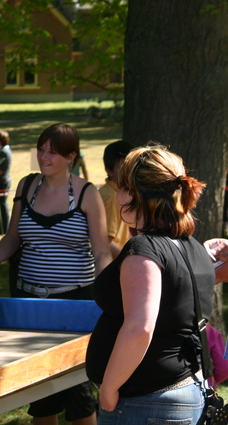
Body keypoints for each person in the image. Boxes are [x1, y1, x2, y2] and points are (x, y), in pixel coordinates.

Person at [0, 123, 110, 425]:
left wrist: (105, 293)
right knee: (39, 388)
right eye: (41, 150)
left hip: (75, 301)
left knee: (75, 385)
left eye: (52, 152)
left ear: (71, 157)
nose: (43, 157)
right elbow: (13, 237)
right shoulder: (27, 186)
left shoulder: (87, 194)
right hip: (29, 300)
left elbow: (102, 250)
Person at [85, 144, 212, 424]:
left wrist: (109, 388)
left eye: (122, 187)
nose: (117, 195)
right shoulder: (192, 247)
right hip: (181, 391)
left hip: (146, 404)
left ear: (136, 194)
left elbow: (140, 327)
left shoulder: (144, 249)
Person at [99, 140, 134, 258]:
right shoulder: (111, 197)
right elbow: (105, 242)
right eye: (122, 167)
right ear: (109, 171)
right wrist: (128, 261)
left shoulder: (115, 192)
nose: (129, 172)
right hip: (113, 267)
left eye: (131, 166)